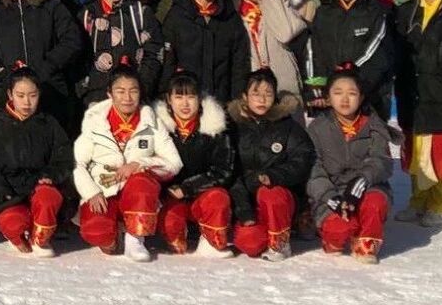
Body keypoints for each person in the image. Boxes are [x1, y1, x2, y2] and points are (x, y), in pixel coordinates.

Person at [73, 61, 181, 261]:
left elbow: (174, 162)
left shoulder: (151, 121)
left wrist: (139, 164)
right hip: (104, 189)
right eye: (120, 91)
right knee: (96, 230)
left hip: (137, 192)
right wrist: (91, 191)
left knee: (141, 182)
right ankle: (113, 238)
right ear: (109, 93)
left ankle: (135, 238)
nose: (127, 98)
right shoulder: (95, 121)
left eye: (133, 91)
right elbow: (76, 163)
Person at [0, 64, 72, 256]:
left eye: (32, 95)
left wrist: (50, 175)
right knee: (13, 222)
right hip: (7, 193)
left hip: (38, 186)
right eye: (20, 95)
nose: (27, 102)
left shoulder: (48, 123)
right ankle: (19, 234)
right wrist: (0, 190)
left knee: (48, 198)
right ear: (10, 94)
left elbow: (64, 158)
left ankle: (41, 239)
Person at [306, 66, 392, 263]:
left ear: (361, 98)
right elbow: (313, 170)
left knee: (375, 202)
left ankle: (366, 243)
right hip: (331, 192)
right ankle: (332, 236)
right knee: (339, 229)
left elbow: (382, 161)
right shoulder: (317, 128)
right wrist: (330, 197)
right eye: (338, 93)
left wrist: (362, 180)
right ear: (328, 98)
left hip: (365, 188)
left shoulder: (374, 125)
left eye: (352, 93)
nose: (345, 99)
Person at [227, 69, 314, 261]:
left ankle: (280, 243)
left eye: (268, 93)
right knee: (250, 244)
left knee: (271, 193)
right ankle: (259, 229)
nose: (262, 99)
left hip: (280, 197)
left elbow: (303, 159)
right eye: (256, 93)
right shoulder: (233, 127)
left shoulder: (288, 126)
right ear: (245, 97)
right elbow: (230, 172)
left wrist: (275, 175)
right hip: (246, 200)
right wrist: (244, 211)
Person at [0, 0, 82, 130]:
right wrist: (2, 72)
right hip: (9, 88)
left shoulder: (51, 4)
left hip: (49, 86)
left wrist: (47, 66)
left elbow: (72, 40)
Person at [394, 0, 442, 227]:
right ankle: (418, 201)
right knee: (416, 151)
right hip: (412, 91)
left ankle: (441, 205)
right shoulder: (406, 11)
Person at [154, 70, 234, 257]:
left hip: (202, 195)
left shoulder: (214, 127)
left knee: (218, 198)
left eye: (191, 97)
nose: (185, 104)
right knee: (173, 232)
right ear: (169, 99)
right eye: (179, 97)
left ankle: (210, 242)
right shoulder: (157, 128)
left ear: (200, 99)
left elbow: (223, 171)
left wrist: (188, 188)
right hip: (170, 198)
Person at [305, 0, 392, 117]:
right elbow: (313, 52)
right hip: (330, 98)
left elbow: (377, 54)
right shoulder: (324, 13)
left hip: (366, 97)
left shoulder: (376, 12)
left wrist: (356, 85)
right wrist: (318, 90)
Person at [161, 0, 249, 102]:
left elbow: (239, 63)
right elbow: (168, 62)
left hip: (221, 99)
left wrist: (236, 100)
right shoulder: (177, 15)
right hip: (186, 100)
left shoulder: (230, 15)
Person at [78, 0, 163, 106]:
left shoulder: (140, 11)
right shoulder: (86, 14)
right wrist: (83, 88)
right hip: (95, 94)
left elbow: (154, 52)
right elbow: (77, 53)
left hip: (133, 94)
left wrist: (142, 87)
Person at [234, 0, 307, 103]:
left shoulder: (282, 2)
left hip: (281, 80)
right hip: (249, 83)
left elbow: (285, 34)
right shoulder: (232, 10)